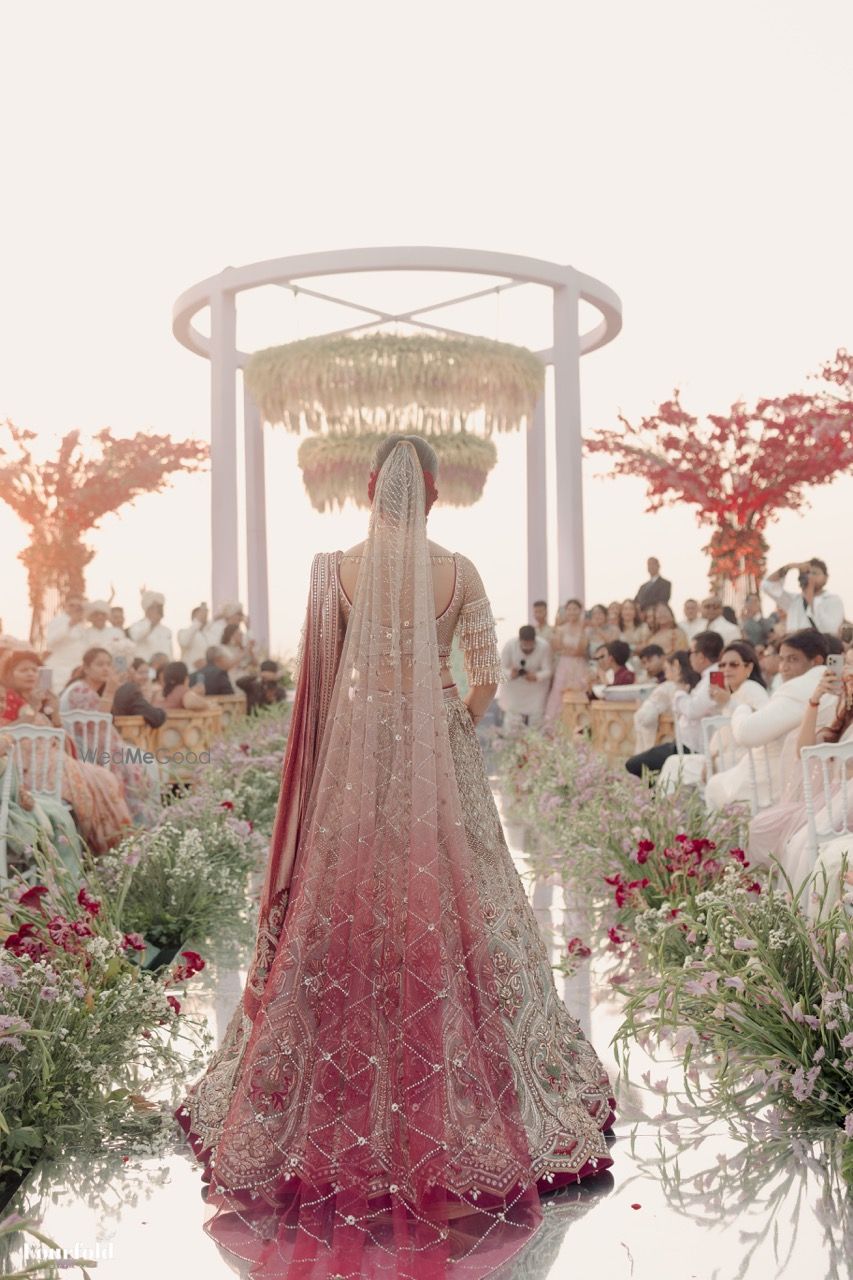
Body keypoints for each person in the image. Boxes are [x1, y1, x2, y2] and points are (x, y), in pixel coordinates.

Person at [175, 435, 615, 1276]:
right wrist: (444, 712)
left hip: (352, 759)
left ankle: (335, 1077)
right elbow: (485, 673)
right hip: (436, 759)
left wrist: (358, 731)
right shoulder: (460, 572)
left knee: (346, 907)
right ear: (435, 493)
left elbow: (322, 676)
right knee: (445, 900)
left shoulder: (333, 569)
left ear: (371, 488)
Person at [0, 649, 132, 853]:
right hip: (24, 767)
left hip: (51, 759)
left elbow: (60, 738)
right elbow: (7, 733)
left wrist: (54, 712)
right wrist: (33, 709)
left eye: (35, 670)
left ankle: (109, 846)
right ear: (9, 675)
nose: (30, 674)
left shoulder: (38, 700)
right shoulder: (5, 700)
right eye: (23, 670)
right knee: (92, 781)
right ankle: (94, 847)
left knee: (105, 778)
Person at [704, 629, 830, 812]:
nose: (783, 667)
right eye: (782, 659)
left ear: (816, 661)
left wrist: (742, 708)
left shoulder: (796, 689)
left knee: (713, 786)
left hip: (776, 781)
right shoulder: (836, 684)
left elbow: (747, 734)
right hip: (812, 779)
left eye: (793, 659)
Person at [59, 647, 161, 826]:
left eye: (108, 664)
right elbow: (99, 723)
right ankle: (139, 825)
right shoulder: (80, 691)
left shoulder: (83, 689)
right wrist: (111, 691)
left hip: (94, 750)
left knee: (147, 761)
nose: (106, 668)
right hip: (91, 754)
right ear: (86, 668)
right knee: (147, 763)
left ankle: (147, 823)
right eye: (100, 664)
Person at [657, 641, 769, 794]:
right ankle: (670, 813)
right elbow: (721, 733)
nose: (726, 669)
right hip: (724, 758)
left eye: (733, 665)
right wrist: (710, 757)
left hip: (742, 761)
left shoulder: (752, 689)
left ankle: (666, 813)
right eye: (722, 665)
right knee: (674, 764)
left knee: (675, 766)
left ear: (748, 667)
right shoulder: (733, 692)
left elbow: (760, 723)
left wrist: (728, 702)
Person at [625, 631, 724, 779]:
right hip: (684, 743)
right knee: (640, 765)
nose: (689, 656)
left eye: (691, 652)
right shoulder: (707, 677)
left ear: (701, 656)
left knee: (635, 764)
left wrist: (679, 694)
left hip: (693, 747)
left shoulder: (715, 677)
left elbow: (693, 710)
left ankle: (654, 798)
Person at [760, 558, 845, 637]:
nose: (810, 576)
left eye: (814, 573)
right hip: (794, 649)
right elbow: (767, 586)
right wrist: (789, 567)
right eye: (806, 573)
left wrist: (810, 598)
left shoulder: (833, 600)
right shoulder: (794, 600)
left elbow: (830, 629)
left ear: (826, 578)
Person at [633, 650, 696, 753]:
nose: (666, 675)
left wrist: (640, 707)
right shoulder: (696, 685)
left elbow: (644, 717)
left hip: (677, 741)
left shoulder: (667, 687)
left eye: (666, 670)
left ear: (676, 666)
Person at [543, 599, 590, 725]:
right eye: (569, 609)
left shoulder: (584, 629)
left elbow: (581, 650)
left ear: (580, 611)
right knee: (559, 693)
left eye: (575, 609)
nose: (572, 612)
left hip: (579, 665)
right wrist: (569, 650)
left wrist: (571, 649)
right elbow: (558, 647)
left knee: (580, 690)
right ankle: (554, 726)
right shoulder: (560, 629)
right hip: (564, 665)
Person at [498, 624, 552, 732]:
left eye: (530, 644)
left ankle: (534, 746)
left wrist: (536, 676)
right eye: (524, 644)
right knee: (512, 722)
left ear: (534, 640)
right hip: (514, 690)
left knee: (536, 723)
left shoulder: (544, 646)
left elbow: (548, 671)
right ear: (519, 640)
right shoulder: (510, 645)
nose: (527, 648)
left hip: (535, 690)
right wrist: (511, 674)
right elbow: (499, 669)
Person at [43, 594, 89, 691]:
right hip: (57, 667)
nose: (74, 608)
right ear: (65, 605)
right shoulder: (57, 620)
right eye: (71, 605)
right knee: (50, 693)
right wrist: (70, 624)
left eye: (77, 606)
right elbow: (50, 642)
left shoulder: (81, 625)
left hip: (75, 666)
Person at [111, 657, 167, 728]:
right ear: (131, 671)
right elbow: (155, 717)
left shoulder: (143, 690)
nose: (145, 677)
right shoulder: (130, 690)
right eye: (140, 673)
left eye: (147, 672)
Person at [128, 589, 174, 660]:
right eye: (155, 607)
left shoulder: (166, 630)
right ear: (148, 609)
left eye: (160, 607)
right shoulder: (137, 626)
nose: (159, 610)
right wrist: (152, 624)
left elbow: (170, 652)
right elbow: (136, 637)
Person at [177, 604, 210, 672]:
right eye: (201, 615)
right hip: (190, 673)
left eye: (205, 615)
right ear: (194, 617)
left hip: (205, 674)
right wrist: (197, 621)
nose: (204, 617)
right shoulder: (183, 632)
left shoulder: (207, 635)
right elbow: (184, 642)